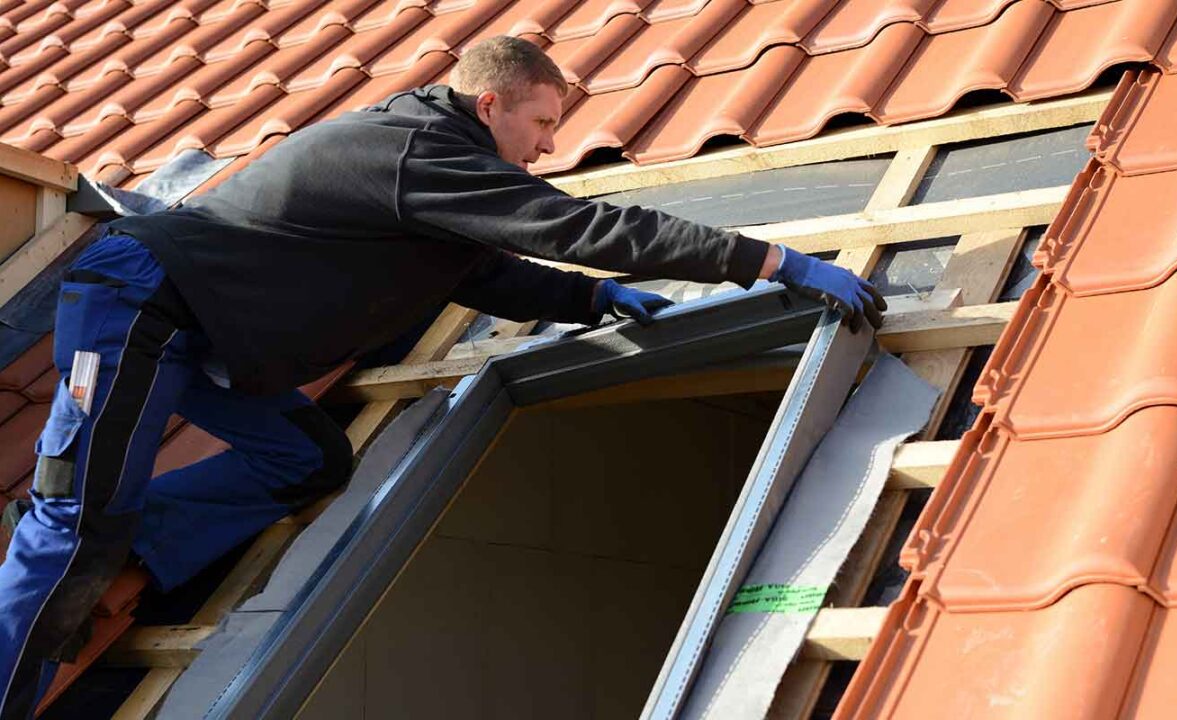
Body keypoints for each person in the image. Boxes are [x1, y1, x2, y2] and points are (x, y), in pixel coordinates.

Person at [0, 35, 884, 716]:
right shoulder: (422, 150)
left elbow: (478, 272)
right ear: (490, 101)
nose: (544, 149)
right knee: (78, 515)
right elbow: (574, 224)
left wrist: (595, 299)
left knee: (308, 461)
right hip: (141, 305)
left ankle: (132, 543)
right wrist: (771, 261)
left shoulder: (434, 164)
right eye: (540, 125)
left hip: (211, 332)